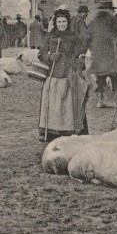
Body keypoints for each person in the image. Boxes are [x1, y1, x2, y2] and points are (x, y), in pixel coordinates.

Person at [38, 8, 90, 142]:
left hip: (69, 74)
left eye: (64, 22)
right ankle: (51, 132)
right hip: (53, 75)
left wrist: (79, 62)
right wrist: (50, 57)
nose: (62, 24)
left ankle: (69, 130)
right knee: (53, 105)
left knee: (68, 105)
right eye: (59, 22)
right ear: (55, 23)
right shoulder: (49, 36)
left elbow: (82, 51)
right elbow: (41, 54)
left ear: (68, 22)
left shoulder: (74, 36)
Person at [85, 1, 117, 108]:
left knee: (100, 78)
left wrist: (92, 49)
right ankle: (115, 99)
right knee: (115, 77)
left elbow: (88, 38)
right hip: (110, 53)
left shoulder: (93, 22)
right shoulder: (113, 21)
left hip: (97, 54)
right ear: (108, 10)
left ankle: (100, 101)